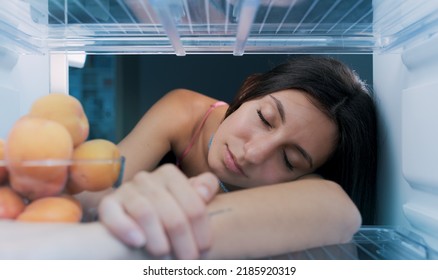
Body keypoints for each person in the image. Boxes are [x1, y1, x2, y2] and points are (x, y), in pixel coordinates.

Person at [0, 55, 377, 260]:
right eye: (264, 118)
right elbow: (100, 184)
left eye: (290, 161)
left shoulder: (312, 190)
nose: (252, 152)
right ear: (248, 90)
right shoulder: (185, 112)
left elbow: (339, 209)